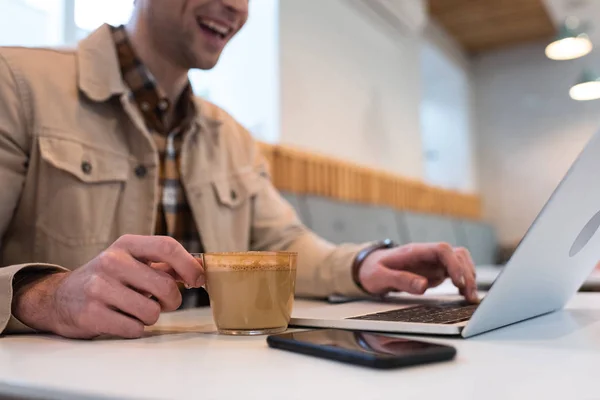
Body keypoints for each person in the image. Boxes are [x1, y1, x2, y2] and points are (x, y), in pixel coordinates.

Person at [0, 0, 478, 340]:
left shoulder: (231, 136)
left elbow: (282, 246)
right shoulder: (17, 85)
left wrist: (364, 263)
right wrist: (47, 296)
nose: (236, 6)